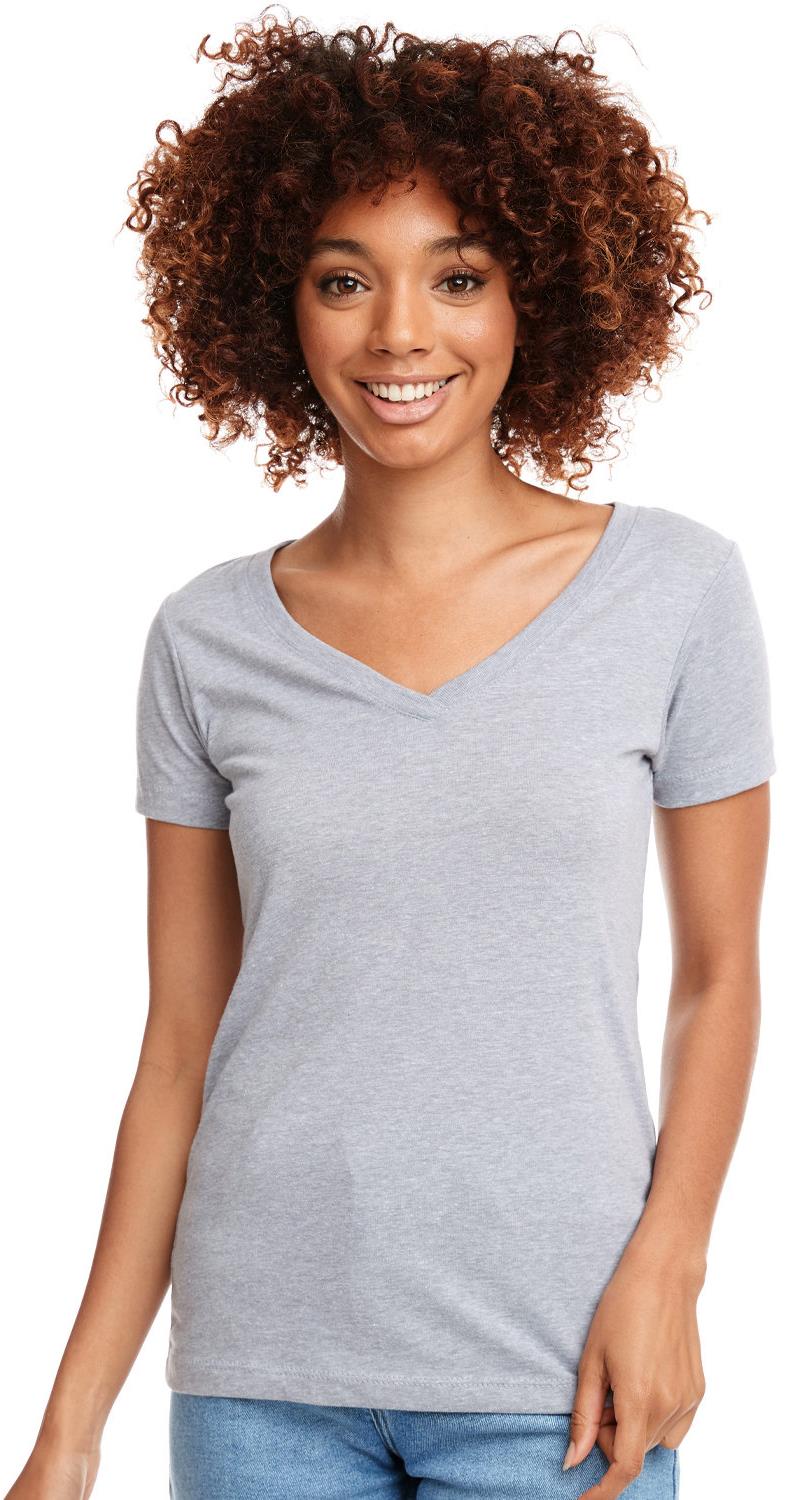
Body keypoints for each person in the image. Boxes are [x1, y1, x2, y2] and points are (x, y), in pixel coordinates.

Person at [6, 9, 776, 1500]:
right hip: (261, 1387)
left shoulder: (675, 591)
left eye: (459, 276)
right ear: (276, 309)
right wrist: (69, 1428)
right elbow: (177, 1048)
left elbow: (719, 977)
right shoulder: (206, 639)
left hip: (563, 1372)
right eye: (344, 279)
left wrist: (671, 1267)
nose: (401, 334)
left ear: (537, 294)